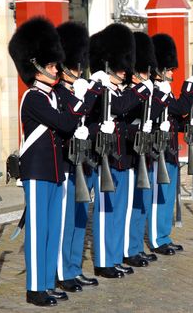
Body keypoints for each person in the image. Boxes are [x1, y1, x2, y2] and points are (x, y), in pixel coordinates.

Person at [8, 17, 88, 306]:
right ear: (37, 65)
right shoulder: (33, 98)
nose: (56, 68)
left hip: (56, 171)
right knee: (39, 231)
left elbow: (68, 121)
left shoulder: (52, 96)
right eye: (52, 64)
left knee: (53, 229)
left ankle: (47, 282)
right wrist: (83, 100)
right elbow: (64, 124)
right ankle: (34, 288)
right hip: (38, 172)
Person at [87, 23, 153, 278]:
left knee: (119, 211)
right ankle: (104, 260)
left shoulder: (113, 88)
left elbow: (124, 120)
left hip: (122, 157)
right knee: (107, 212)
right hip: (106, 158)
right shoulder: (100, 88)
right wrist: (141, 90)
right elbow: (121, 107)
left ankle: (114, 257)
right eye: (121, 65)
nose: (125, 71)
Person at [54, 21, 102, 293]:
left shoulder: (78, 89)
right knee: (66, 218)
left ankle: (73, 267)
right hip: (66, 161)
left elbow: (91, 122)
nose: (79, 70)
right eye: (75, 65)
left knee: (80, 218)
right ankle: (63, 270)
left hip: (84, 160)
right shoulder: (60, 92)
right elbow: (67, 122)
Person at [149, 33, 193, 256]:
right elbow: (180, 107)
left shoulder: (164, 90)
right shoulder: (155, 90)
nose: (171, 73)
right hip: (157, 150)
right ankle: (156, 238)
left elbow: (175, 118)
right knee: (159, 196)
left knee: (168, 196)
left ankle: (164, 235)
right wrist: (190, 88)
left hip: (169, 149)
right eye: (168, 69)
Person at [122, 31, 164, 267]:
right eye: (144, 71)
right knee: (132, 204)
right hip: (131, 153)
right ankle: (130, 248)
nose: (148, 76)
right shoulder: (129, 93)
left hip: (144, 152)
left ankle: (136, 245)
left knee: (142, 203)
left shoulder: (144, 92)